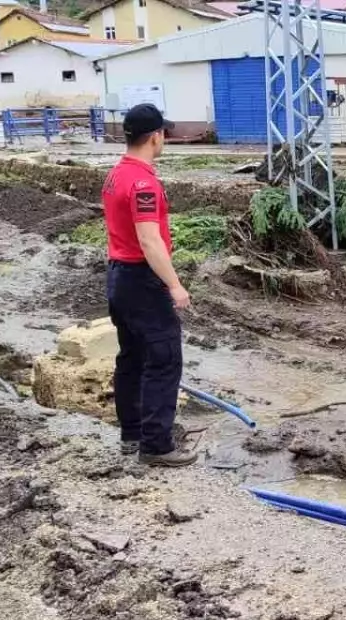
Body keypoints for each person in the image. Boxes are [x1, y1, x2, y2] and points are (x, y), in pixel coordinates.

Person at [102, 103, 199, 467]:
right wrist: (174, 285)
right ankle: (157, 445)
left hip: (119, 276)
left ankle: (131, 434)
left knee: (132, 357)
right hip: (141, 279)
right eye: (164, 134)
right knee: (164, 359)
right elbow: (149, 240)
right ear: (155, 136)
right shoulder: (143, 183)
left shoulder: (116, 174)